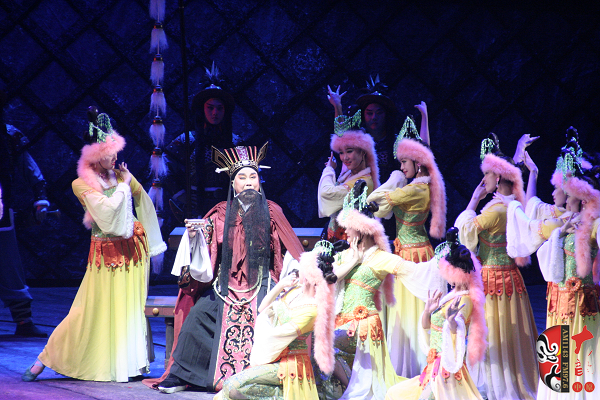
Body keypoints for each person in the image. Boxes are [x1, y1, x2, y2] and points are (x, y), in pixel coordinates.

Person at [22, 108, 166, 382]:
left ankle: (127, 365)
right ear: (95, 156)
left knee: (129, 311)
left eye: (115, 152)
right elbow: (108, 214)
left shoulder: (120, 175)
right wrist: (124, 185)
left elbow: (143, 201)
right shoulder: (81, 184)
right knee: (87, 310)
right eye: (109, 153)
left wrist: (151, 240)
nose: (115, 158)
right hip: (106, 254)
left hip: (133, 253)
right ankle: (46, 358)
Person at [154, 142, 305, 394]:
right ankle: (183, 374)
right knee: (199, 316)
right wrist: (195, 236)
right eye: (242, 178)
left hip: (262, 282)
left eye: (253, 177)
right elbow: (207, 250)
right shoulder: (219, 213)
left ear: (259, 181)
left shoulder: (272, 211)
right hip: (225, 286)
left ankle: (266, 375)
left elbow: (289, 249)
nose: (248, 182)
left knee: (273, 315)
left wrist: (297, 274)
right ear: (233, 183)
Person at [326, 180, 445, 400]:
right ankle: (348, 385)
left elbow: (414, 271)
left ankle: (351, 389)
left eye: (349, 227)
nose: (345, 232)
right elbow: (330, 278)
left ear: (361, 230)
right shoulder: (346, 254)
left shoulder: (380, 258)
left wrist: (442, 261)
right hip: (341, 321)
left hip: (363, 326)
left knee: (325, 345)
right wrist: (354, 260)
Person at [455, 133, 538, 400]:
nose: (483, 180)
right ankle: (508, 379)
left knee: (495, 332)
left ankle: (498, 384)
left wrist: (473, 200)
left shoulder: (494, 210)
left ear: (498, 176)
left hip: (493, 280)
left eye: (487, 174)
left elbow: (464, 233)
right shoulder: (510, 204)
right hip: (510, 278)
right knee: (506, 331)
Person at [367, 114, 446, 378]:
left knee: (409, 311)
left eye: (403, 162)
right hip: (419, 250)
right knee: (413, 309)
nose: (400, 167)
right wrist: (425, 119)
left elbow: (375, 201)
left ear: (417, 163)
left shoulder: (413, 190)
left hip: (411, 256)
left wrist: (393, 178)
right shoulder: (424, 186)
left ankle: (411, 365)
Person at [215, 240, 343, 400]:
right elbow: (263, 310)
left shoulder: (312, 310)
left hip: (289, 364)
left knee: (232, 386)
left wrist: (260, 356)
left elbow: (276, 337)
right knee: (228, 390)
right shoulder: (295, 292)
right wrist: (280, 286)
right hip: (275, 356)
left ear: (309, 275)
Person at [385, 227, 487, 400]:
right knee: (394, 393)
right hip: (433, 366)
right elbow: (428, 326)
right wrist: (427, 311)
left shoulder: (465, 300)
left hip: (445, 369)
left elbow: (458, 328)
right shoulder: (450, 296)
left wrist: (452, 321)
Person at [534, 164, 600, 400]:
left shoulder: (593, 225)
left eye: (569, 192)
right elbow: (542, 254)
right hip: (558, 301)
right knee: (556, 351)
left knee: (579, 351)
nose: (565, 194)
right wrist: (559, 234)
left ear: (581, 198)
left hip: (581, 305)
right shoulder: (562, 222)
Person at [0, 89, 49, 338]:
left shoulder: (9, 135)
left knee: (10, 266)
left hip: (0, 210)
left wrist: (40, 197)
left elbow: (29, 167)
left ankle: (23, 322)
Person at [166, 62, 236, 220]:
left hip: (228, 209)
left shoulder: (235, 142)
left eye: (219, 108)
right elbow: (163, 165)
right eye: (210, 107)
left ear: (225, 110)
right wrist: (181, 194)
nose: (215, 112)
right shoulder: (187, 140)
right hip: (196, 208)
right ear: (202, 109)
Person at [318, 127, 379, 242]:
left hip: (350, 241)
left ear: (363, 151)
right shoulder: (348, 174)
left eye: (349, 151)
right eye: (341, 152)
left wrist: (329, 169)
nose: (345, 158)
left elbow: (327, 193)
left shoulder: (363, 182)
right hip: (335, 236)